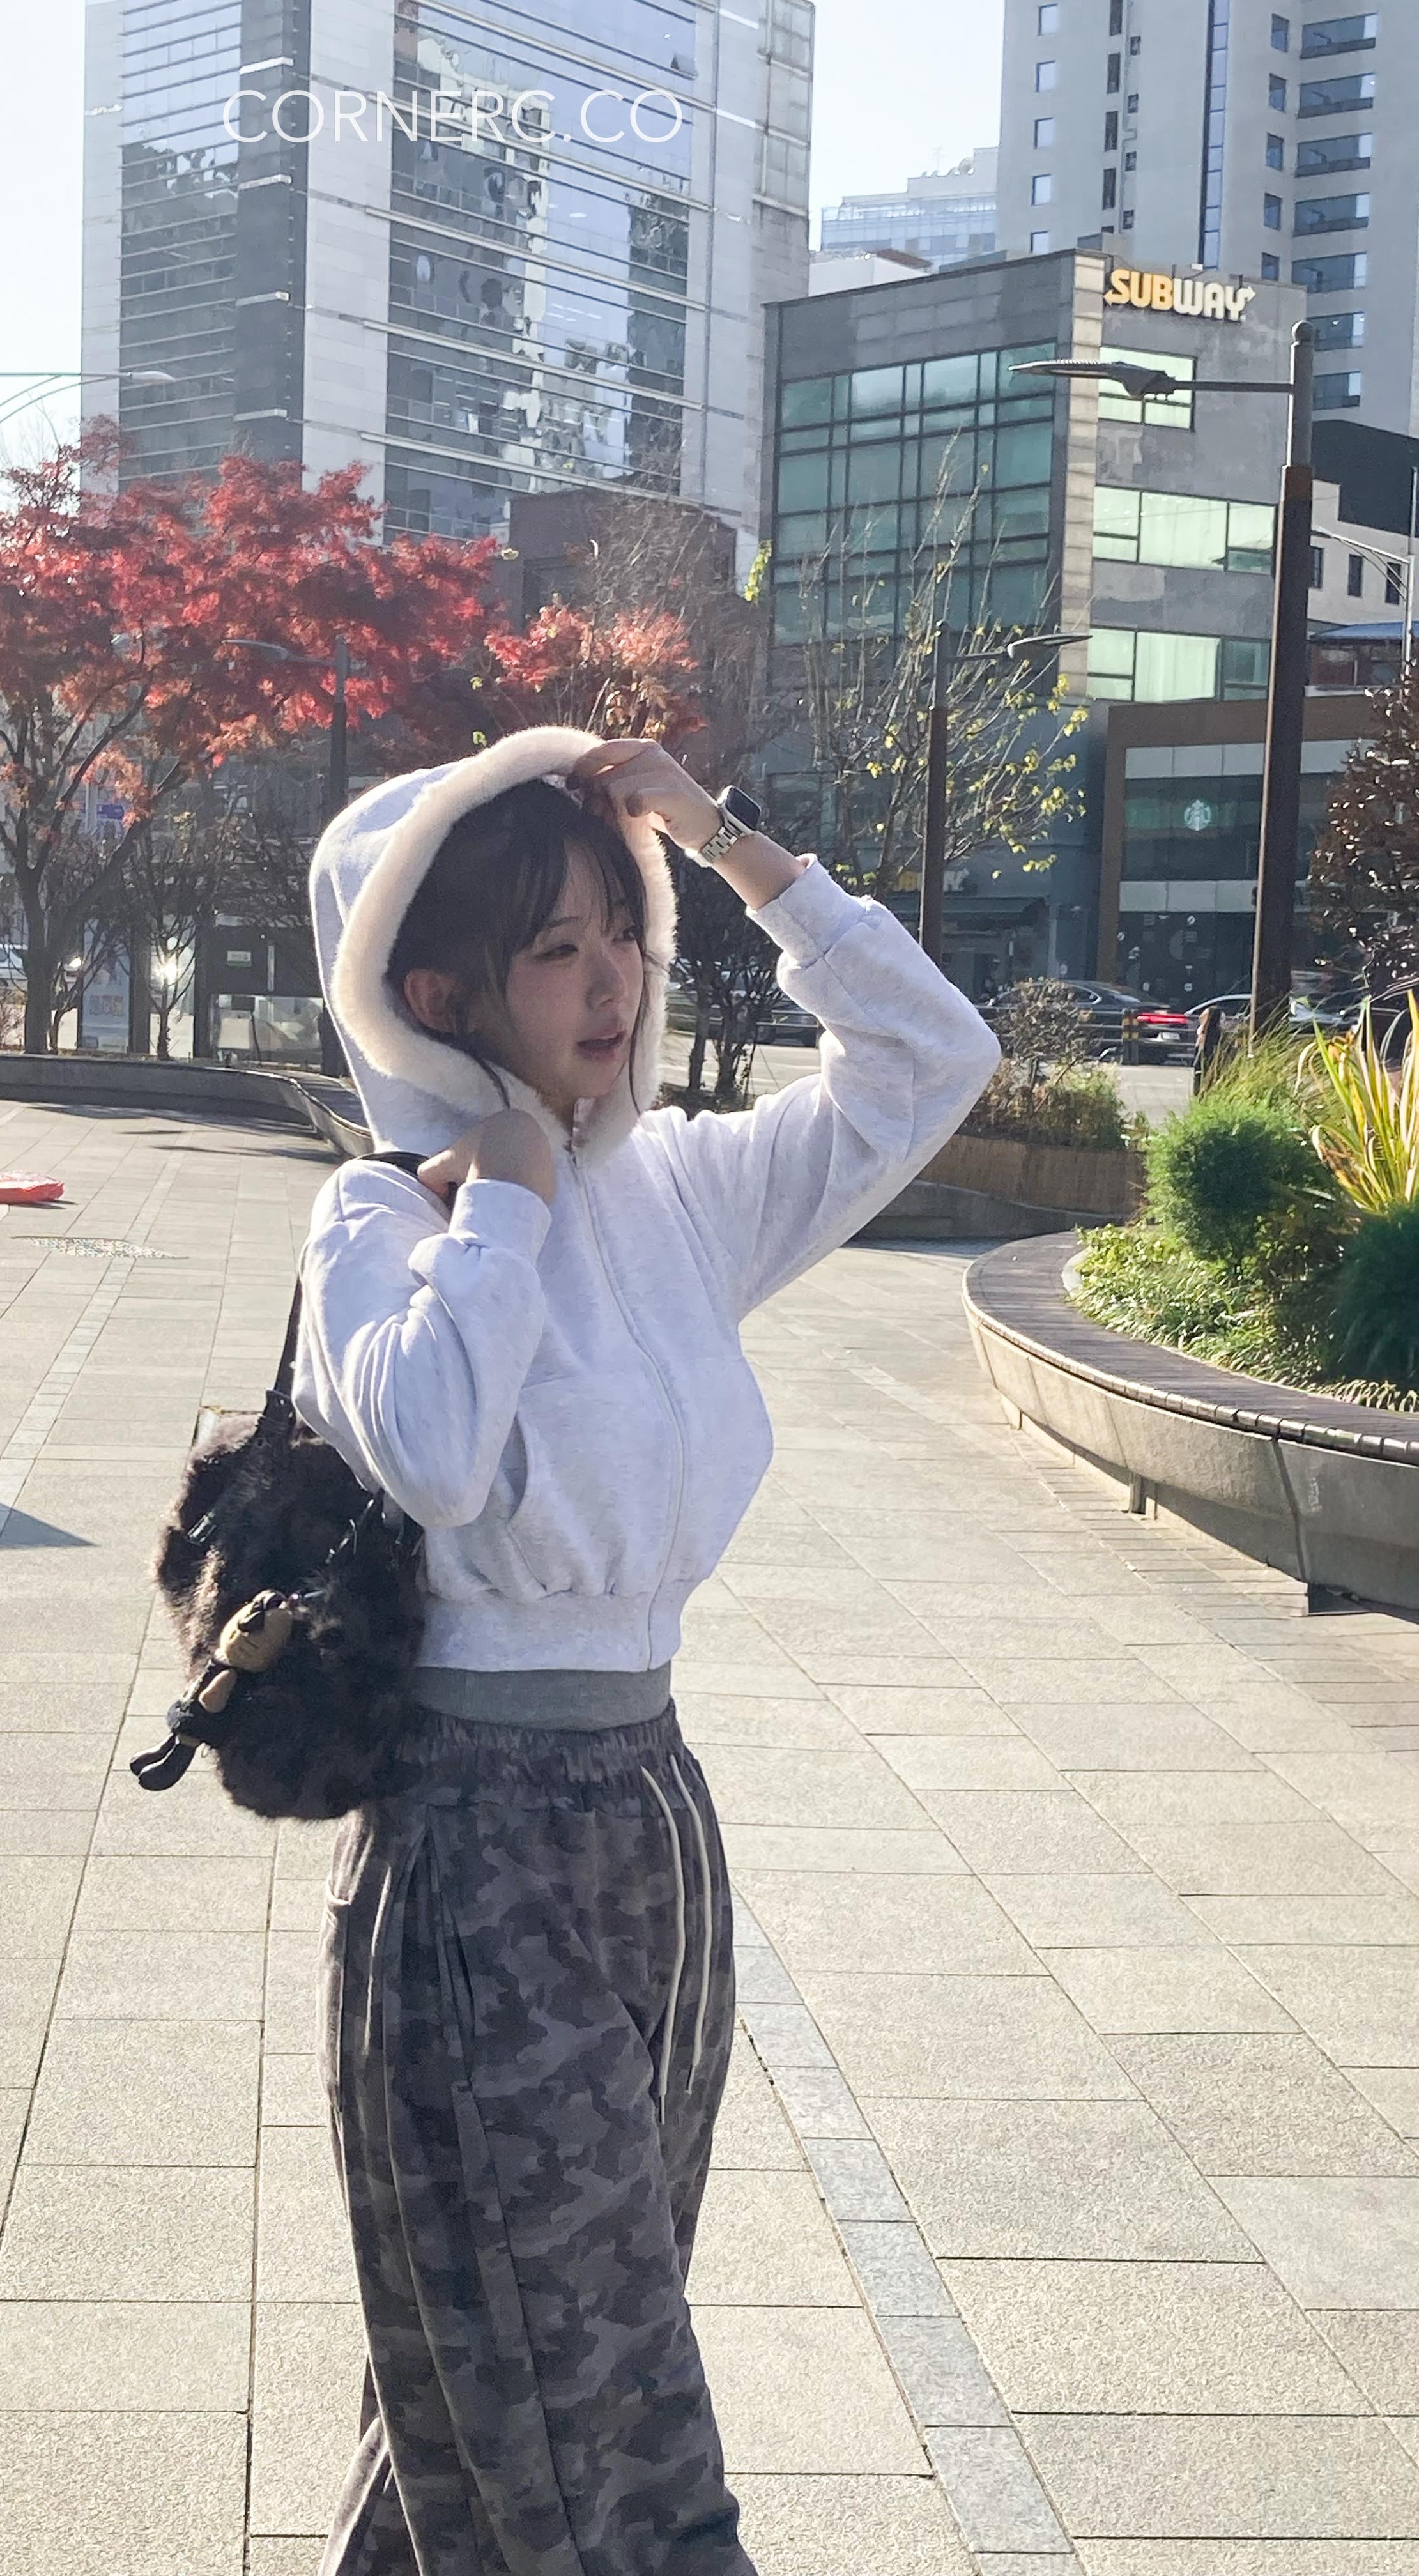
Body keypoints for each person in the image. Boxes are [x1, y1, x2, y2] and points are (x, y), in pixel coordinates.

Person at [293, 724, 1000, 2576]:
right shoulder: (376, 1221)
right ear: (435, 995)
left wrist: (724, 840)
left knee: (509, 2383)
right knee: (600, 2404)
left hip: (653, 1825)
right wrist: (505, 1194)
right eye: (556, 949)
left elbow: (933, 1063)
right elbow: (437, 1453)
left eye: (626, 929)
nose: (613, 980)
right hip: (474, 1846)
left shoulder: (683, 1191)